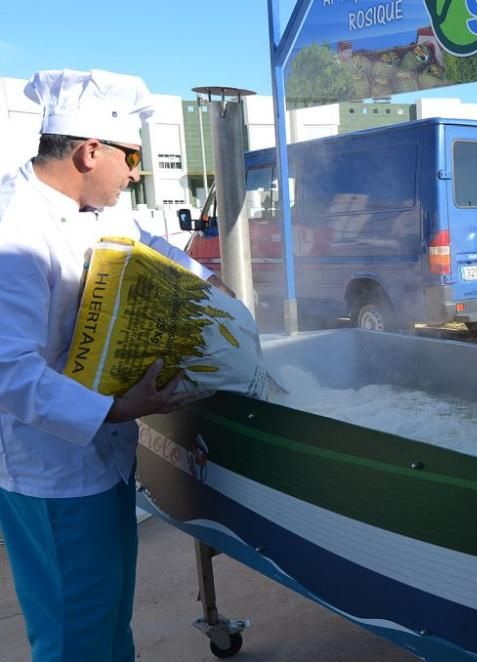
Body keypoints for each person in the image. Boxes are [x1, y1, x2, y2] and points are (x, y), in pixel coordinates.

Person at [0, 68, 225, 661]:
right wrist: (116, 407)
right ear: (88, 151)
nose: (136, 173)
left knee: (106, 620)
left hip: (103, 456)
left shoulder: (93, 207)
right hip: (53, 469)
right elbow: (7, 368)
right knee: (76, 636)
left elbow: (152, 245)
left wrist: (214, 290)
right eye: (130, 158)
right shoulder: (13, 226)